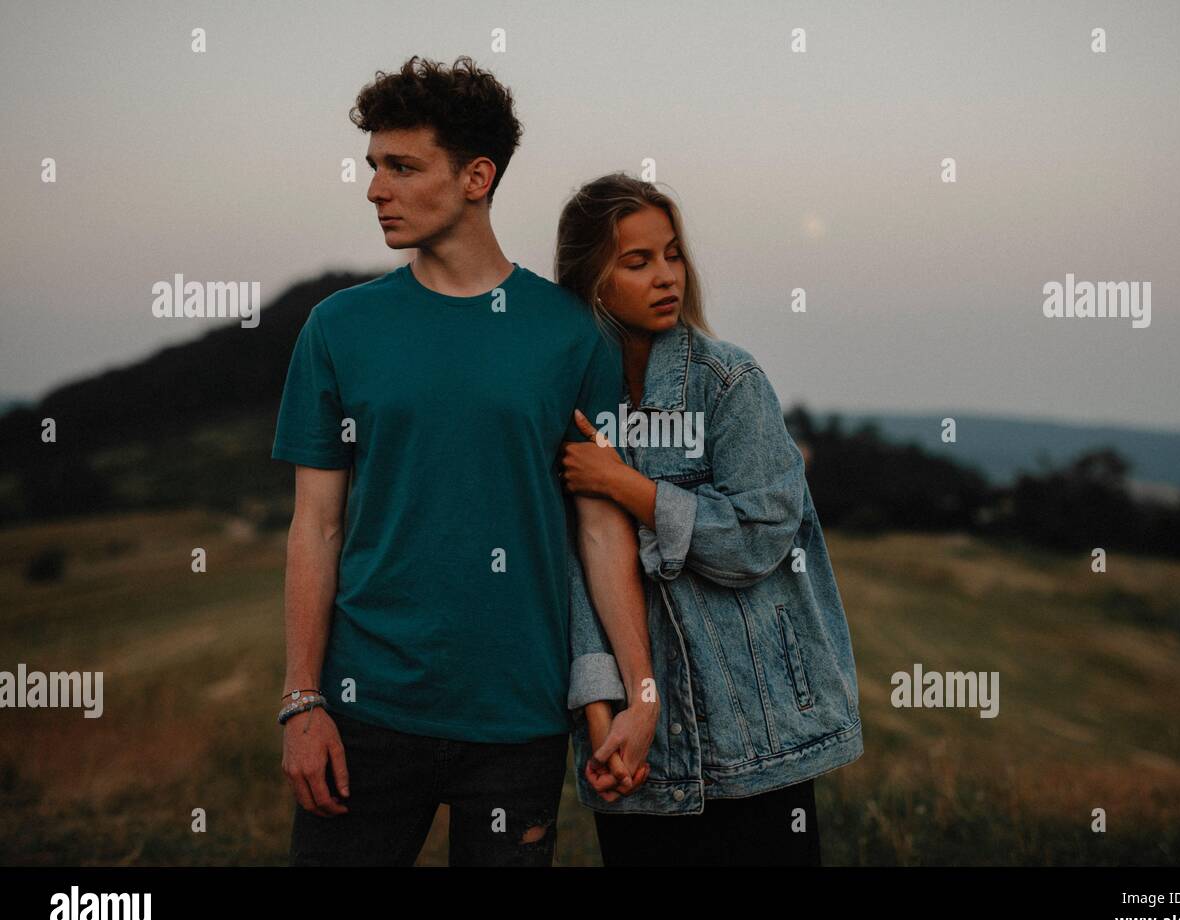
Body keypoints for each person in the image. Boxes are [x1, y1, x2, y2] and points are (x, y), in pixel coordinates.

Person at [271, 57, 653, 866]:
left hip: (517, 718)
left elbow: (601, 531)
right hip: (363, 710)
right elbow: (316, 526)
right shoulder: (338, 329)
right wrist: (302, 700)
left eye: (402, 168)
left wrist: (637, 692)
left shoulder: (570, 336)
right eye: (373, 167)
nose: (376, 189)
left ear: (477, 176)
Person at [557, 173, 864, 866]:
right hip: (640, 753)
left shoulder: (728, 381)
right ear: (592, 282)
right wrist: (603, 720)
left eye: (672, 254)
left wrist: (629, 486)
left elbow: (757, 539)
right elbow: (581, 571)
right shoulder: (574, 401)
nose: (667, 276)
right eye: (638, 262)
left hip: (756, 741)